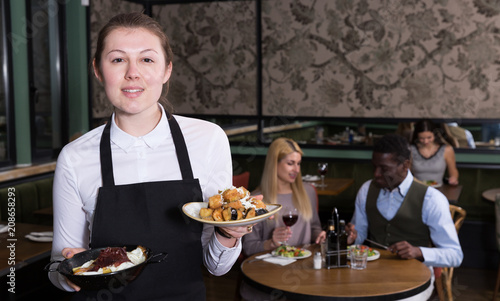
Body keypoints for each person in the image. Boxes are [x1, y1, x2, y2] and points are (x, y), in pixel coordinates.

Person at [48, 12, 253, 300]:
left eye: (147, 59)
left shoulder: (208, 140)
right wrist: (72, 270)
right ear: (97, 69)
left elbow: (215, 267)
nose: (133, 72)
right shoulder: (74, 157)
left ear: (167, 70)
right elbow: (57, 267)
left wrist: (229, 234)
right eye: (118, 59)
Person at [348, 134, 463, 300]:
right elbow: (358, 235)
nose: (376, 174)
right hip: (371, 274)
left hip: (415, 278)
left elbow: (455, 256)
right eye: (374, 167)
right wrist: (351, 237)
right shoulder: (366, 190)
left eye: (384, 169)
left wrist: (418, 252)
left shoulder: (432, 199)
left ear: (405, 165)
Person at [242, 138, 327, 255]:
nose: (296, 170)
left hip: (304, 265)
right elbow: (248, 247)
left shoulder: (309, 191)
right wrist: (272, 243)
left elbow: (314, 227)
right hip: (269, 269)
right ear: (274, 164)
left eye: (298, 164)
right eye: (290, 163)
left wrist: (319, 236)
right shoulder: (256, 199)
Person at [410, 119, 459, 186]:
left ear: (435, 135)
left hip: (439, 189)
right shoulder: (411, 150)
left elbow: (453, 171)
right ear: (417, 136)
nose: (425, 141)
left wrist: (453, 178)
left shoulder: (447, 149)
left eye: (429, 137)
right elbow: (406, 172)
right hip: (417, 189)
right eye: (421, 138)